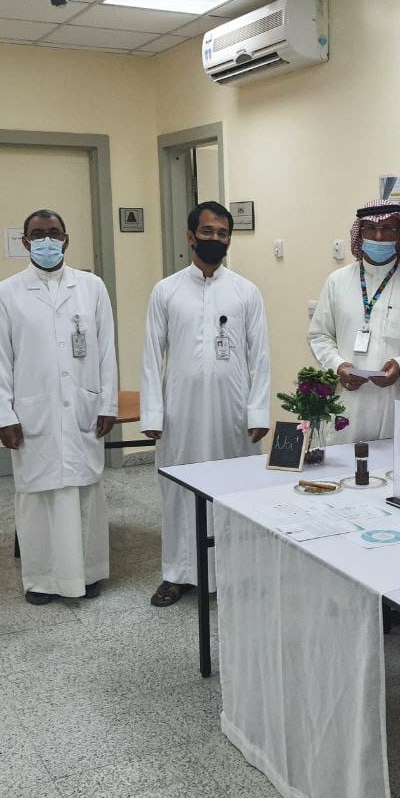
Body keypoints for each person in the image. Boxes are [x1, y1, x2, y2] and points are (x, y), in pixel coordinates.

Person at [0, 209, 118, 605]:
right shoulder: (5, 292)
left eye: (54, 233)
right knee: (38, 496)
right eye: (38, 234)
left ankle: (88, 573)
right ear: (25, 242)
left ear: (66, 238)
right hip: (33, 412)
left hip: (83, 407)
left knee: (84, 491)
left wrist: (107, 402)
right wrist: (5, 414)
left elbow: (107, 351)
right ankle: (42, 580)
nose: (47, 240)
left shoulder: (92, 287)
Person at [142, 201, 271, 607]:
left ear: (229, 239)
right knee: (179, 489)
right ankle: (178, 572)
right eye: (207, 231)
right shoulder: (166, 290)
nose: (215, 238)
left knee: (235, 490)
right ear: (190, 236)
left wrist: (258, 411)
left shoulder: (246, 291)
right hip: (180, 411)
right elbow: (151, 355)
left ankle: (235, 572)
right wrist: (152, 412)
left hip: (232, 411)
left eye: (222, 233)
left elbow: (260, 356)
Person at [308, 200, 400, 442]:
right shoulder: (337, 282)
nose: (379, 236)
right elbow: (319, 335)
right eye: (371, 229)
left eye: (387, 229)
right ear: (360, 233)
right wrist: (338, 366)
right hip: (350, 402)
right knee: (347, 464)